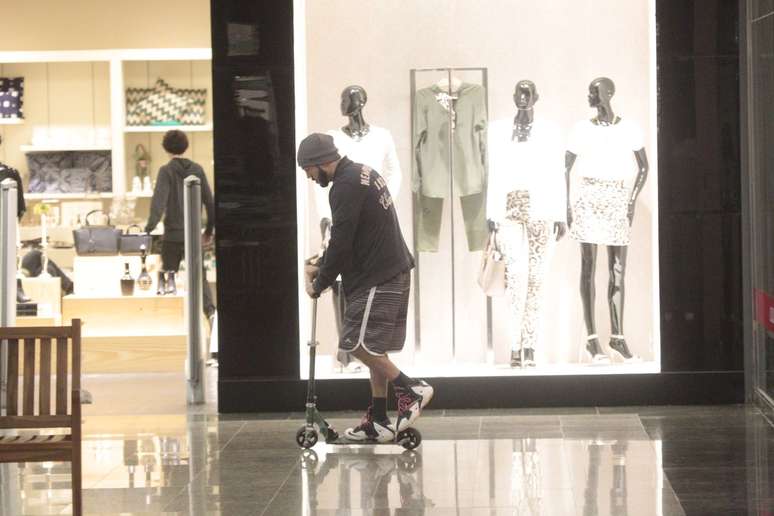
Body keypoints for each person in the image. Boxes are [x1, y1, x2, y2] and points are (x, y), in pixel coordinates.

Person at [298, 133, 434, 443]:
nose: (308, 176)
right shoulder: (363, 172)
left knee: (355, 344)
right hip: (392, 270)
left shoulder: (344, 186)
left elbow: (342, 242)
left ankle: (411, 389)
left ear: (320, 163)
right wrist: (324, 263)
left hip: (378, 277)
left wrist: (320, 282)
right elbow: (356, 234)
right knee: (375, 348)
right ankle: (379, 419)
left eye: (307, 169)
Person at [145, 130, 216, 323]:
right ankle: (209, 313)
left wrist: (148, 228)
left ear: (166, 148)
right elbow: (210, 203)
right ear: (186, 146)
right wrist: (208, 231)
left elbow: (158, 203)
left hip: (173, 236)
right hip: (193, 235)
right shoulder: (197, 169)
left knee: (169, 277)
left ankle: (171, 321)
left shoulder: (165, 171)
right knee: (199, 278)